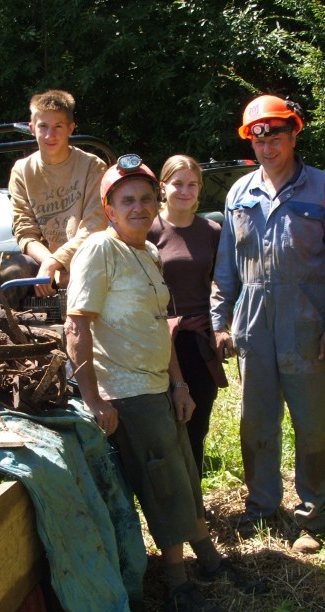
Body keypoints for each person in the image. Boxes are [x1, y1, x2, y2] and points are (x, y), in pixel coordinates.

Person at [66, 155, 261, 612]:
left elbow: (164, 325)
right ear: (108, 209)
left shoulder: (148, 253)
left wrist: (178, 384)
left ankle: (210, 561)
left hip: (159, 387)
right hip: (127, 393)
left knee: (186, 475)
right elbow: (76, 328)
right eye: (126, 200)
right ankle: (178, 586)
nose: (138, 207)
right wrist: (94, 400)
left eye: (145, 199)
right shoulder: (99, 250)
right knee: (165, 486)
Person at [210, 95, 325, 554]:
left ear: (294, 133)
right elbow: (226, 266)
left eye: (276, 132)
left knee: (312, 425)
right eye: (258, 134)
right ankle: (262, 507)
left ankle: (315, 514)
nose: (267, 143)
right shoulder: (239, 193)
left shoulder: (324, 189)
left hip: (307, 323)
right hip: (253, 324)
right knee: (256, 424)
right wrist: (220, 320)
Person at [147, 155, 227, 480]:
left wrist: (222, 327)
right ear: (163, 187)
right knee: (163, 424)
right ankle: (168, 494)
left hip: (198, 340)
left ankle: (195, 501)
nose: (185, 190)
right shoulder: (148, 229)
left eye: (192, 184)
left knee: (197, 420)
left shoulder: (212, 230)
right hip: (157, 340)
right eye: (178, 183)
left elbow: (223, 282)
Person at [7, 89, 107, 296]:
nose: (49, 135)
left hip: (88, 256)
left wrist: (56, 263)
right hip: (41, 263)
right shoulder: (21, 170)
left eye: (58, 127)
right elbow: (25, 232)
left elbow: (94, 227)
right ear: (32, 128)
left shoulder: (92, 166)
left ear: (71, 128)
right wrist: (49, 265)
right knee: (9, 272)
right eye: (43, 126)